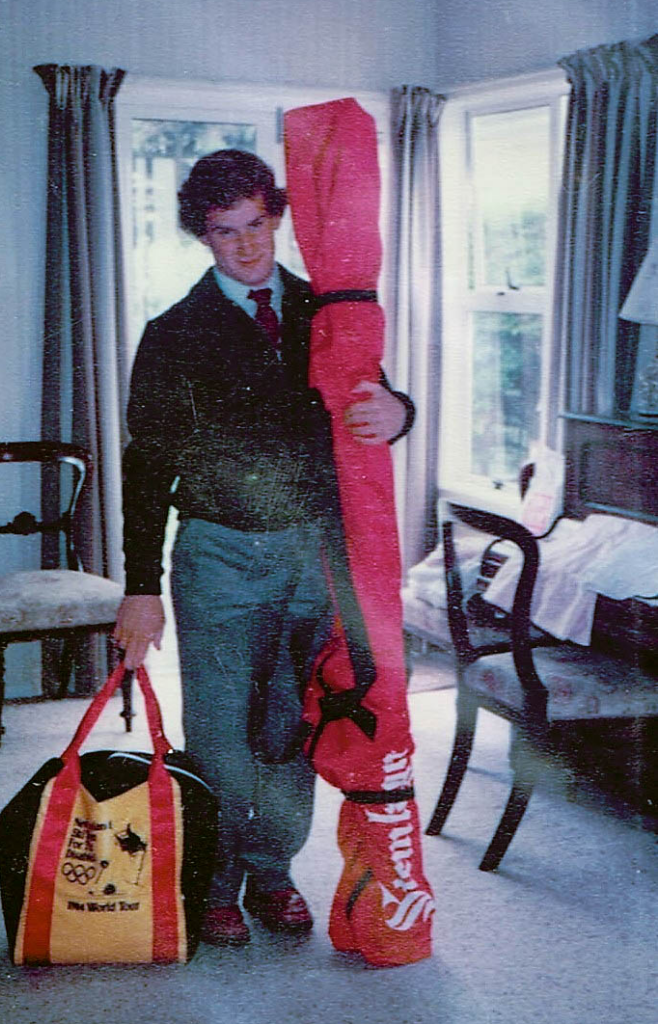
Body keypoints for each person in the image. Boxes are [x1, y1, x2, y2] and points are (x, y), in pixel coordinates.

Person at [114, 149, 414, 947]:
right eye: (224, 232)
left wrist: (400, 409)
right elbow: (146, 465)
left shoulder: (326, 310)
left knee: (289, 725)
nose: (246, 247)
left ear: (277, 217)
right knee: (218, 732)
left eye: (256, 224)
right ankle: (213, 881)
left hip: (311, 555)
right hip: (218, 554)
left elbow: (371, 396)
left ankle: (272, 871)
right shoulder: (175, 333)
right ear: (201, 236)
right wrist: (139, 586)